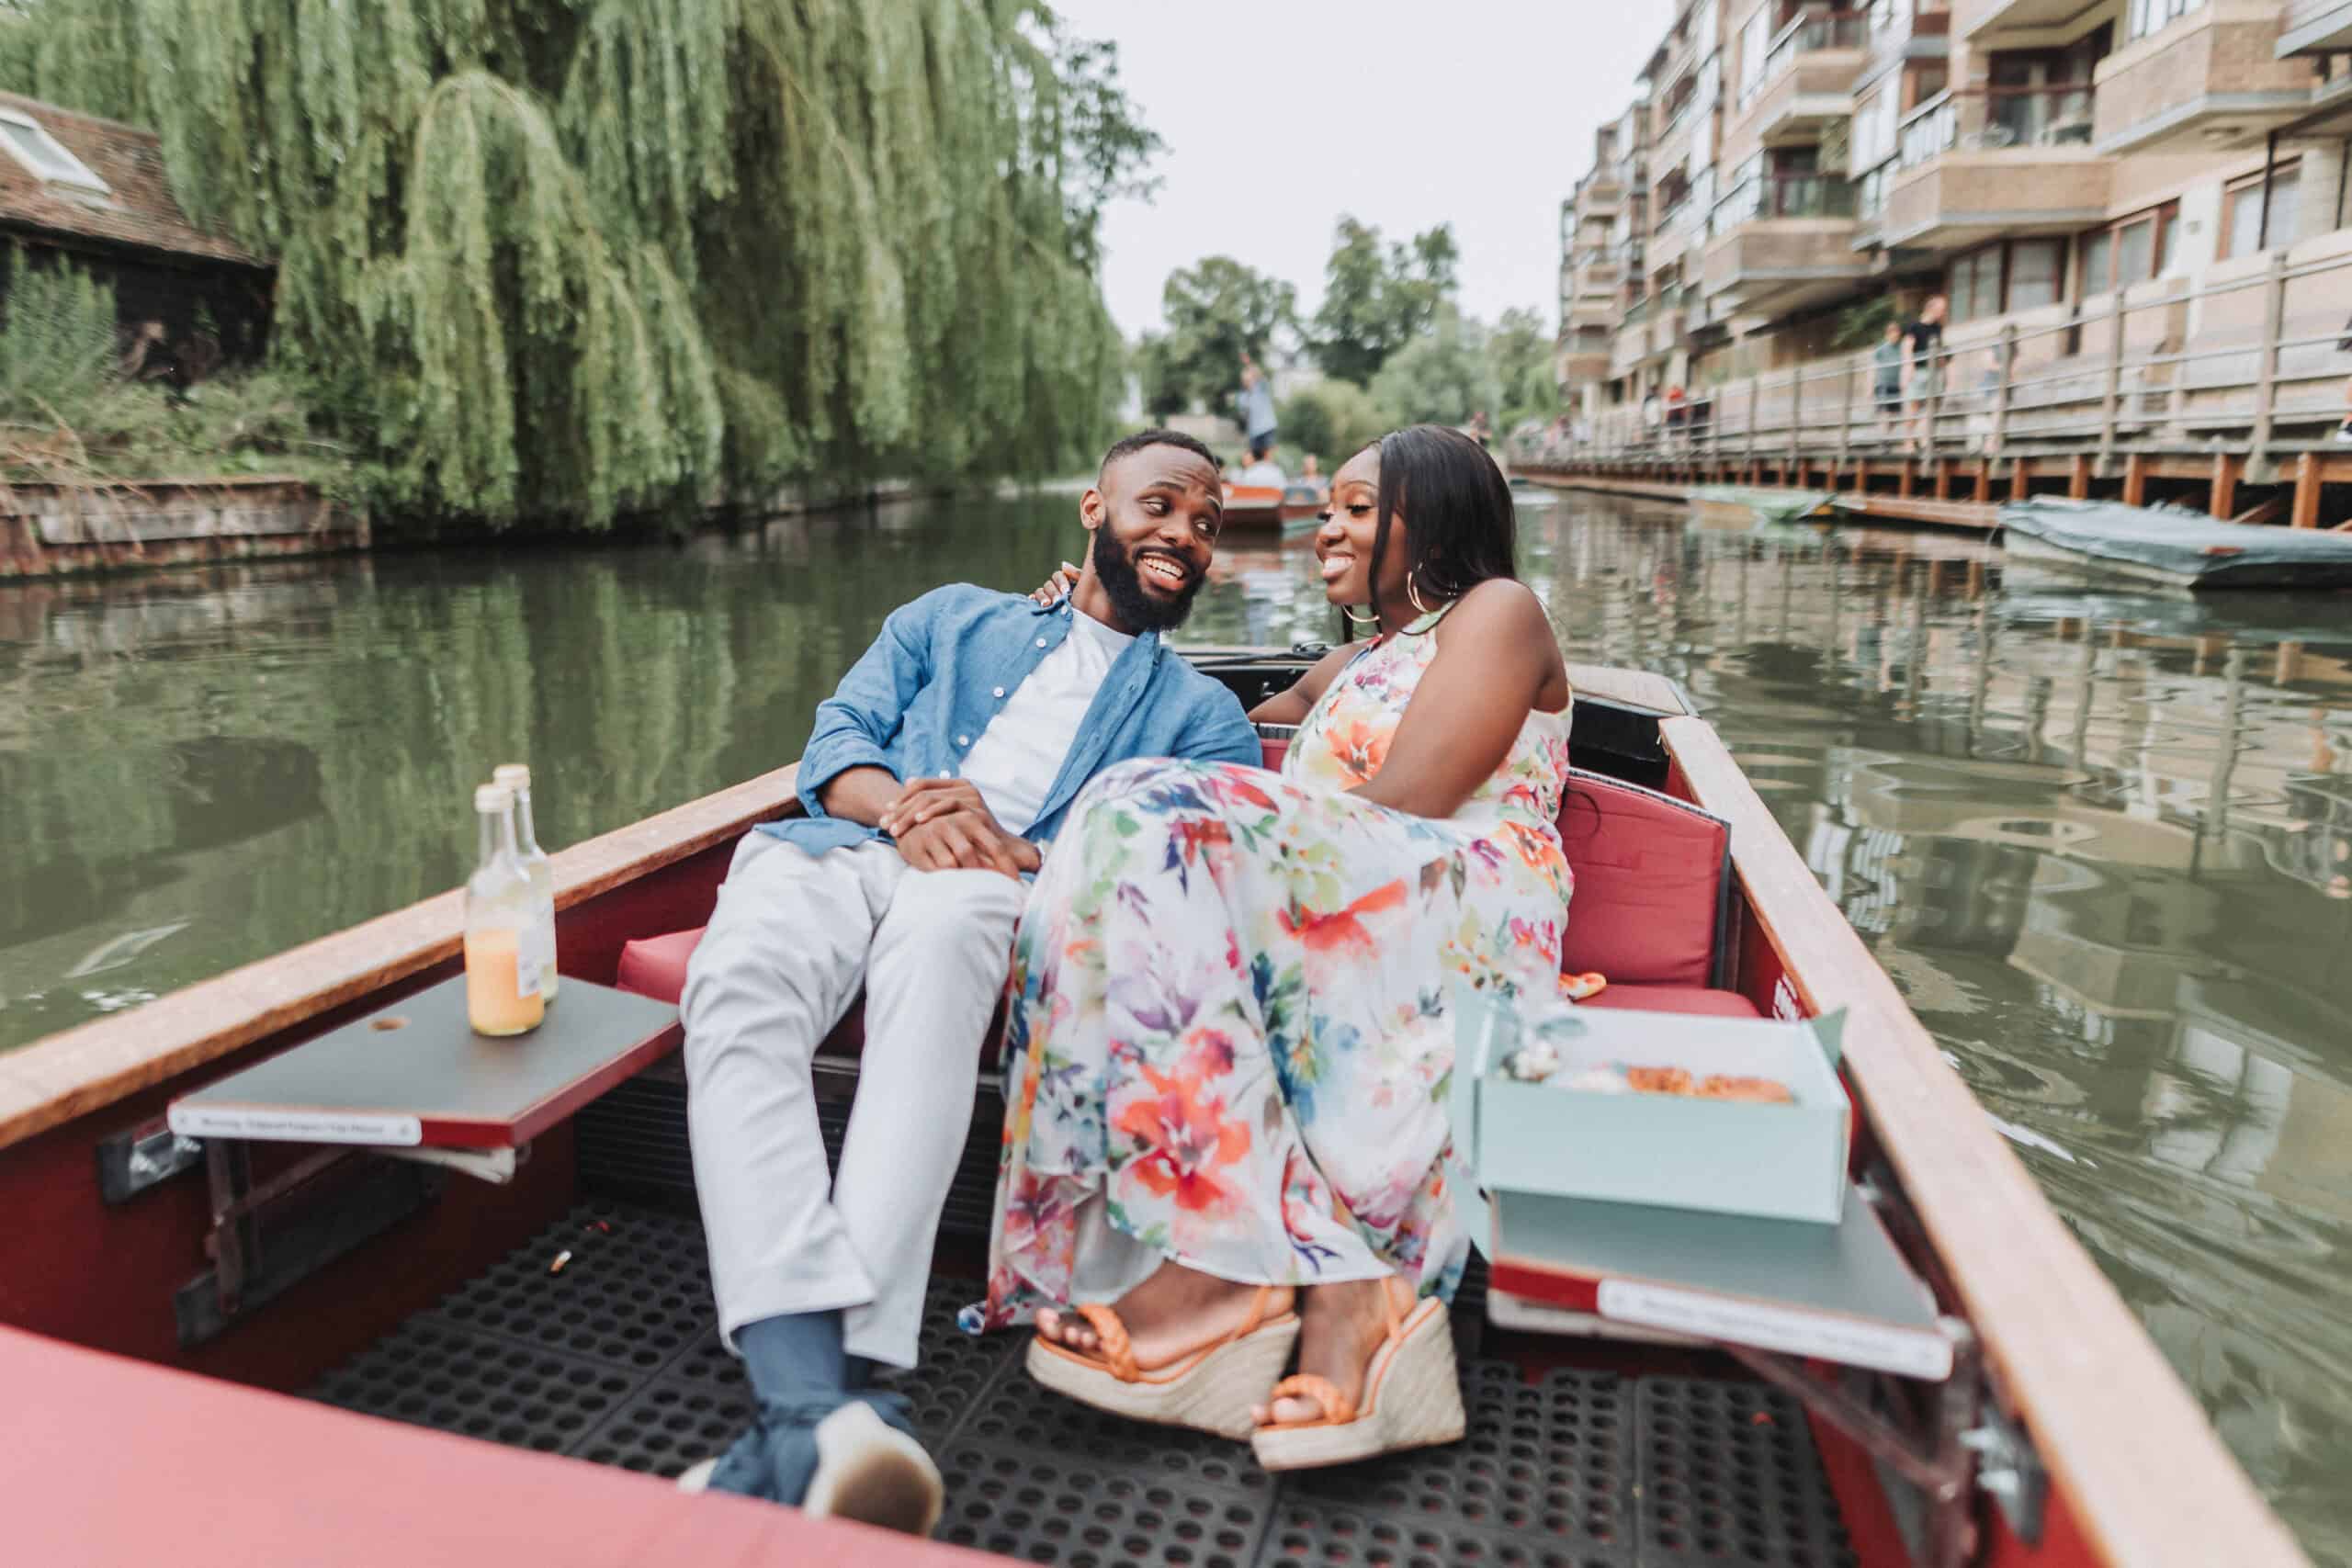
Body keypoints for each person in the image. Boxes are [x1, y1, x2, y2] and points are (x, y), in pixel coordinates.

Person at [677, 429, 1261, 1529]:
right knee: (739, 981)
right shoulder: (949, 615)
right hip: (839, 846)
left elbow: (1181, 861)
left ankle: (814, 1401)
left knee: (949, 949)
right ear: (1095, 508)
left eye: (1205, 524)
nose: (1183, 533)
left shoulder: (1207, 721)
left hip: (1000, 882)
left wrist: (1007, 845)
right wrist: (909, 807)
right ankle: (822, 1409)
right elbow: (836, 744)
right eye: (1161, 505)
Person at [990, 425, 1574, 1471]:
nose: (1324, 527)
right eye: (1329, 507)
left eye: (1355, 507)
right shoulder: (1350, 662)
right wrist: (1087, 621)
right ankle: (1292, 1275)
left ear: (1429, 516)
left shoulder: (1499, 615)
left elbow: (1414, 804)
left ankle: (1231, 1274)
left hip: (1455, 887)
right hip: (1339, 890)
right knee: (1131, 810)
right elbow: (1189, 729)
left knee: (1143, 810)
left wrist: (1203, 844)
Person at [1901, 294, 1949, 452]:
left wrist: (1944, 370)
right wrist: (1909, 367)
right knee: (1913, 406)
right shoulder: (1914, 326)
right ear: (1931, 309)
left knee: (1931, 407)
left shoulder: (1938, 328)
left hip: (1934, 371)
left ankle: (1925, 441)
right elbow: (1907, 347)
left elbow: (1940, 349)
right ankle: (1908, 442)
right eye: (1941, 309)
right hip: (1918, 369)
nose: (1943, 313)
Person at [1238, 351, 1279, 460]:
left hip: (1267, 427)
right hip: (1253, 432)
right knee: (1254, 458)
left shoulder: (1261, 388)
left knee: (1268, 455)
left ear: (1253, 379)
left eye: (1249, 379)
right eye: (1245, 380)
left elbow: (1258, 374)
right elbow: (1244, 416)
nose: (1247, 381)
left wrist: (1249, 364)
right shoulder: (1242, 396)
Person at [1871, 321, 1905, 436]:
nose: (1894, 336)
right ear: (1887, 335)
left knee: (1895, 415)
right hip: (1883, 384)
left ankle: (1885, 436)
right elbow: (1872, 367)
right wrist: (1870, 387)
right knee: (1885, 413)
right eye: (1892, 333)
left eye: (1896, 333)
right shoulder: (1881, 349)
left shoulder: (1902, 348)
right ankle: (1883, 441)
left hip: (1896, 385)